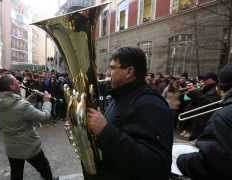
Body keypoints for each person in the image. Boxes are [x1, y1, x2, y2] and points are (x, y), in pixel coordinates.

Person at [87, 47, 173, 180]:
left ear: (129, 71)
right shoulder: (120, 96)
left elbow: (156, 164)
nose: (108, 72)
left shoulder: (150, 104)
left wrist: (105, 130)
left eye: (113, 68)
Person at [0, 74, 57, 180]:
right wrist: (47, 101)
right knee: (44, 167)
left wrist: (31, 97)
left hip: (12, 147)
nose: (19, 84)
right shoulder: (22, 106)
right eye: (16, 82)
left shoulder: (0, 101)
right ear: (11, 87)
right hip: (28, 145)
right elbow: (44, 117)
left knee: (16, 173)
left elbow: (17, 109)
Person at [176, 64, 232, 179]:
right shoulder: (206, 89)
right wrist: (191, 93)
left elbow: (213, 160)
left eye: (205, 80)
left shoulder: (218, 95)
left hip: (207, 129)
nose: (203, 81)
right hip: (202, 127)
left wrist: (195, 93)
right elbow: (186, 100)